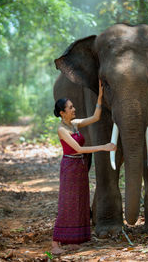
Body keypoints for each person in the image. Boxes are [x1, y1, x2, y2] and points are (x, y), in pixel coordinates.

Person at [51, 79, 116, 255]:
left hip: (80, 166)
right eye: (70, 107)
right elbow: (78, 148)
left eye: (73, 107)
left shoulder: (74, 124)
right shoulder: (62, 130)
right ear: (62, 112)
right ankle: (56, 243)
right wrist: (104, 146)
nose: (74, 109)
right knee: (67, 203)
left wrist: (100, 96)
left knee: (79, 202)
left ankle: (73, 240)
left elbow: (95, 117)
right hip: (70, 167)